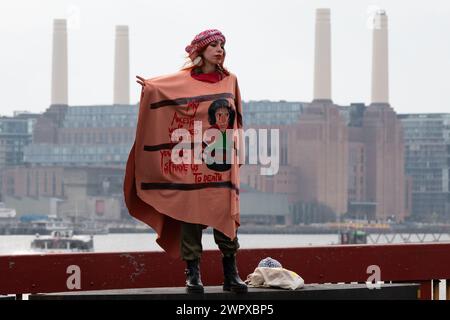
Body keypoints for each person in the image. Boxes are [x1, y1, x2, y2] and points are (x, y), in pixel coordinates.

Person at [125, 29, 247, 294]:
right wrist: (149, 87)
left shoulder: (231, 81)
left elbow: (237, 120)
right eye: (213, 45)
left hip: (222, 159)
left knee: (226, 213)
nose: (220, 49)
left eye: (222, 45)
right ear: (200, 51)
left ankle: (231, 272)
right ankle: (193, 274)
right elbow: (163, 91)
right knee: (190, 215)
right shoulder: (183, 81)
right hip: (191, 159)